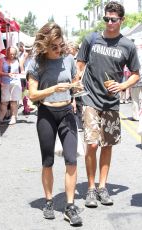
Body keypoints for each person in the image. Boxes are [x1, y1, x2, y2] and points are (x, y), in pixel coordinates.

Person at [76, 1, 140, 208]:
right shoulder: (91, 39)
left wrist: (122, 86)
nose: (109, 23)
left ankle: (102, 187)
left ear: (121, 20)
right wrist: (76, 84)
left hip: (111, 102)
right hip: (90, 98)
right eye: (106, 19)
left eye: (113, 19)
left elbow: (136, 74)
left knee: (107, 145)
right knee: (92, 144)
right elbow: (80, 64)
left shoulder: (127, 46)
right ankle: (91, 188)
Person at [26, 22, 82, 226]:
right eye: (54, 47)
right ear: (45, 45)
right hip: (46, 113)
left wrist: (77, 88)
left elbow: (75, 81)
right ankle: (49, 201)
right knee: (48, 161)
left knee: (71, 160)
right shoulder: (36, 63)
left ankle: (70, 206)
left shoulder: (68, 59)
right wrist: (54, 88)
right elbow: (32, 94)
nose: (59, 50)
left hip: (67, 112)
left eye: (61, 44)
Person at [0, 46, 23, 125]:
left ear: (15, 53)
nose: (11, 55)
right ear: (7, 53)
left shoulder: (18, 60)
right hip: (5, 83)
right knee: (4, 101)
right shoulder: (3, 60)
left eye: (13, 54)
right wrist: (7, 74)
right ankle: (0, 118)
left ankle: (13, 117)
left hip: (16, 83)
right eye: (9, 54)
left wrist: (18, 74)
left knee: (14, 101)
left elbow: (22, 72)